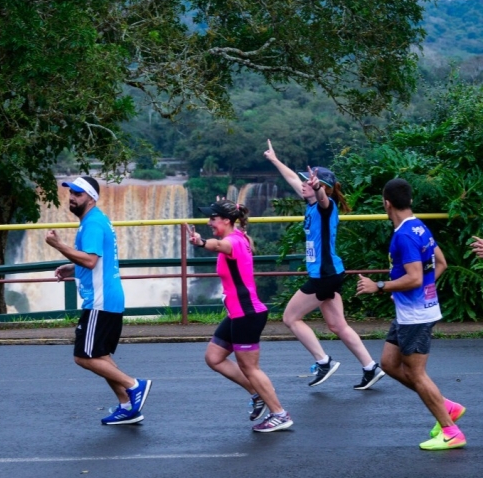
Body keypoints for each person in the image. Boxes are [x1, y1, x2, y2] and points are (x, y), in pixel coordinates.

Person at [264, 139, 384, 390]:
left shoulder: (325, 207)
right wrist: (275, 160)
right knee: (338, 325)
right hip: (331, 273)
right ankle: (370, 368)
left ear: (323, 188)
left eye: (308, 183)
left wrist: (317, 187)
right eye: (305, 183)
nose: (303, 185)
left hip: (324, 276)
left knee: (290, 318)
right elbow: (292, 180)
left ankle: (323, 361)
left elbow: (322, 198)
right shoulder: (310, 203)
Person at [356, 178, 466, 450]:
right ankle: (446, 406)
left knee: (416, 373)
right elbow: (441, 263)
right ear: (410, 201)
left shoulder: (404, 235)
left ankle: (451, 432)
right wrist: (412, 291)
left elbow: (415, 278)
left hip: (416, 316)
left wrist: (379, 286)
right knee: (390, 363)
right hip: (411, 311)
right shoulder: (418, 227)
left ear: (387, 204)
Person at [45, 176, 151, 426]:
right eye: (70, 192)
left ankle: (134, 385)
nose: (72, 197)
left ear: (91, 198)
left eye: (78, 194)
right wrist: (72, 268)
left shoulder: (92, 224)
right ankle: (127, 406)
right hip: (109, 299)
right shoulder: (96, 220)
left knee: (83, 357)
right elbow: (95, 261)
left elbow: (91, 260)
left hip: (100, 301)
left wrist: (58, 245)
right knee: (100, 356)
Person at [188, 199, 293, 433]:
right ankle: (257, 393)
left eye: (213, 219)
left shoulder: (233, 241)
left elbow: (218, 246)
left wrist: (201, 241)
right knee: (214, 357)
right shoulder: (240, 236)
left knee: (250, 368)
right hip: (238, 313)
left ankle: (279, 413)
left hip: (247, 314)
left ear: (226, 221)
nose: (208, 222)